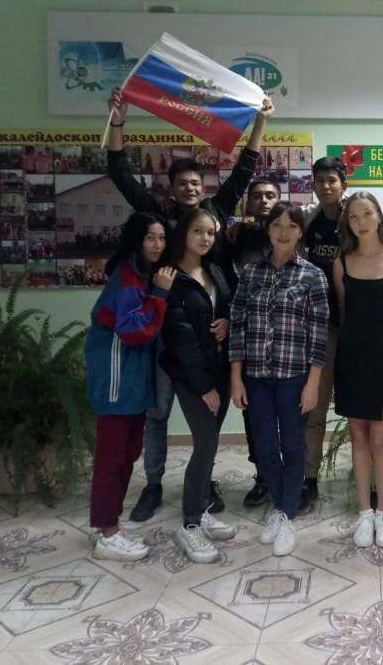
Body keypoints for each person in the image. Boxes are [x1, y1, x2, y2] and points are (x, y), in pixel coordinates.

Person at [106, 88, 274, 523]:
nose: (189, 189)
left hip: (212, 334)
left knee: (208, 417)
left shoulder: (216, 211)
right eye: (182, 184)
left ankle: (203, 483)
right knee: (157, 413)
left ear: (204, 188)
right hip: (165, 331)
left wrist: (260, 121)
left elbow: (245, 167)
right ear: (173, 188)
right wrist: (118, 121)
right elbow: (120, 173)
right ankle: (154, 485)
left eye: (195, 183)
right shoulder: (158, 216)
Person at [230, 203, 329, 556]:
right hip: (256, 376)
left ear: (300, 232)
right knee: (265, 448)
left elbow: (318, 334)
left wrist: (313, 383)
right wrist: (236, 378)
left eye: (291, 226)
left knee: (293, 445)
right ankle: (280, 503)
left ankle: (286, 515)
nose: (283, 232)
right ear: (268, 229)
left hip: (294, 376)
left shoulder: (312, 276)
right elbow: (238, 328)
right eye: (277, 225)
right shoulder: (250, 273)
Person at [84, 212, 175, 561]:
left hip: (132, 379)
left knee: (128, 451)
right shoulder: (126, 276)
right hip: (116, 379)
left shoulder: (142, 275)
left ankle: (110, 524)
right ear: (136, 240)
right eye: (150, 238)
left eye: (162, 238)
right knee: (113, 456)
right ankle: (107, 532)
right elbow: (134, 329)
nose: (157, 245)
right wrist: (161, 294)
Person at [158, 208, 238, 563]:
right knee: (204, 444)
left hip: (219, 369)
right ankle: (189, 525)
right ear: (183, 234)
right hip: (193, 378)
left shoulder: (214, 271)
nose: (205, 238)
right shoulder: (170, 278)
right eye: (198, 232)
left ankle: (202, 509)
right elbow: (180, 338)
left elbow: (229, 308)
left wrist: (227, 322)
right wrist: (205, 386)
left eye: (210, 233)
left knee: (210, 444)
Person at [333, 192, 383, 549]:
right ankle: (364, 513)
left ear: (379, 216)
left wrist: (380, 342)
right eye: (353, 216)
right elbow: (345, 313)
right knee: (359, 438)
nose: (361, 222)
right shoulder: (342, 263)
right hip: (351, 357)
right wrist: (360, 343)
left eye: (367, 214)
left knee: (381, 439)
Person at [222, 177, 283, 508]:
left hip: (288, 340)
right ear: (248, 202)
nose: (264, 200)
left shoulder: (290, 234)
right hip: (250, 337)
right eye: (257, 196)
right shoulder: (237, 238)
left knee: (290, 413)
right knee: (255, 414)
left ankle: (293, 474)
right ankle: (263, 476)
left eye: (270, 195)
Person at [300, 157, 348, 510]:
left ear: (343, 184)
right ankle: (309, 478)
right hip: (321, 329)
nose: (326, 186)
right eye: (320, 181)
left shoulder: (358, 218)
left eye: (332, 180)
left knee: (361, 410)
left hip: (356, 328)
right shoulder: (308, 221)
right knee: (314, 410)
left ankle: (368, 478)